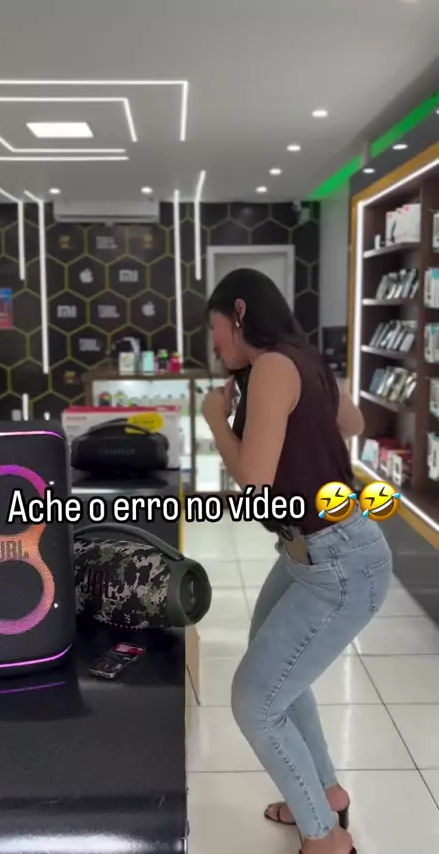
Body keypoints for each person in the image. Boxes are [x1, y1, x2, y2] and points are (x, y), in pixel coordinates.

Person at [202, 269, 392, 854]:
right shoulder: (302, 359)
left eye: (214, 327)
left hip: (337, 562)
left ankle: (325, 837)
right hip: (311, 550)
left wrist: (216, 420)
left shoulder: (272, 367)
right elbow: (353, 423)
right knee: (277, 673)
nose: (213, 342)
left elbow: (255, 481)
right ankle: (325, 793)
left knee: (254, 701)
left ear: (239, 312)